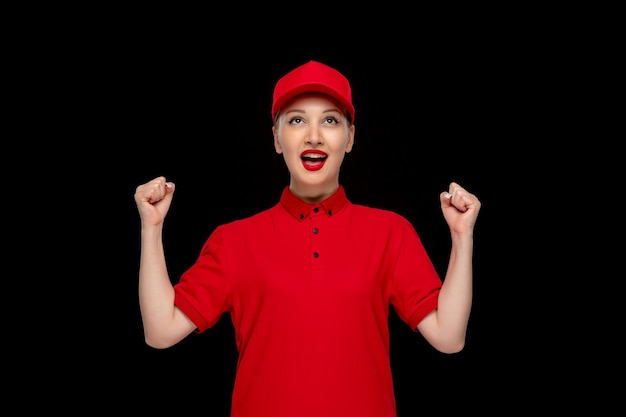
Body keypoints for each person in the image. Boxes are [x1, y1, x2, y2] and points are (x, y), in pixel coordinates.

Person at [134, 60, 481, 417]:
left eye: (330, 120)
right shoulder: (233, 241)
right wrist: (151, 228)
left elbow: (448, 337)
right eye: (296, 120)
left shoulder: (390, 232)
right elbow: (160, 332)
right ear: (276, 138)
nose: (313, 135)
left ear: (350, 138)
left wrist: (461, 236)